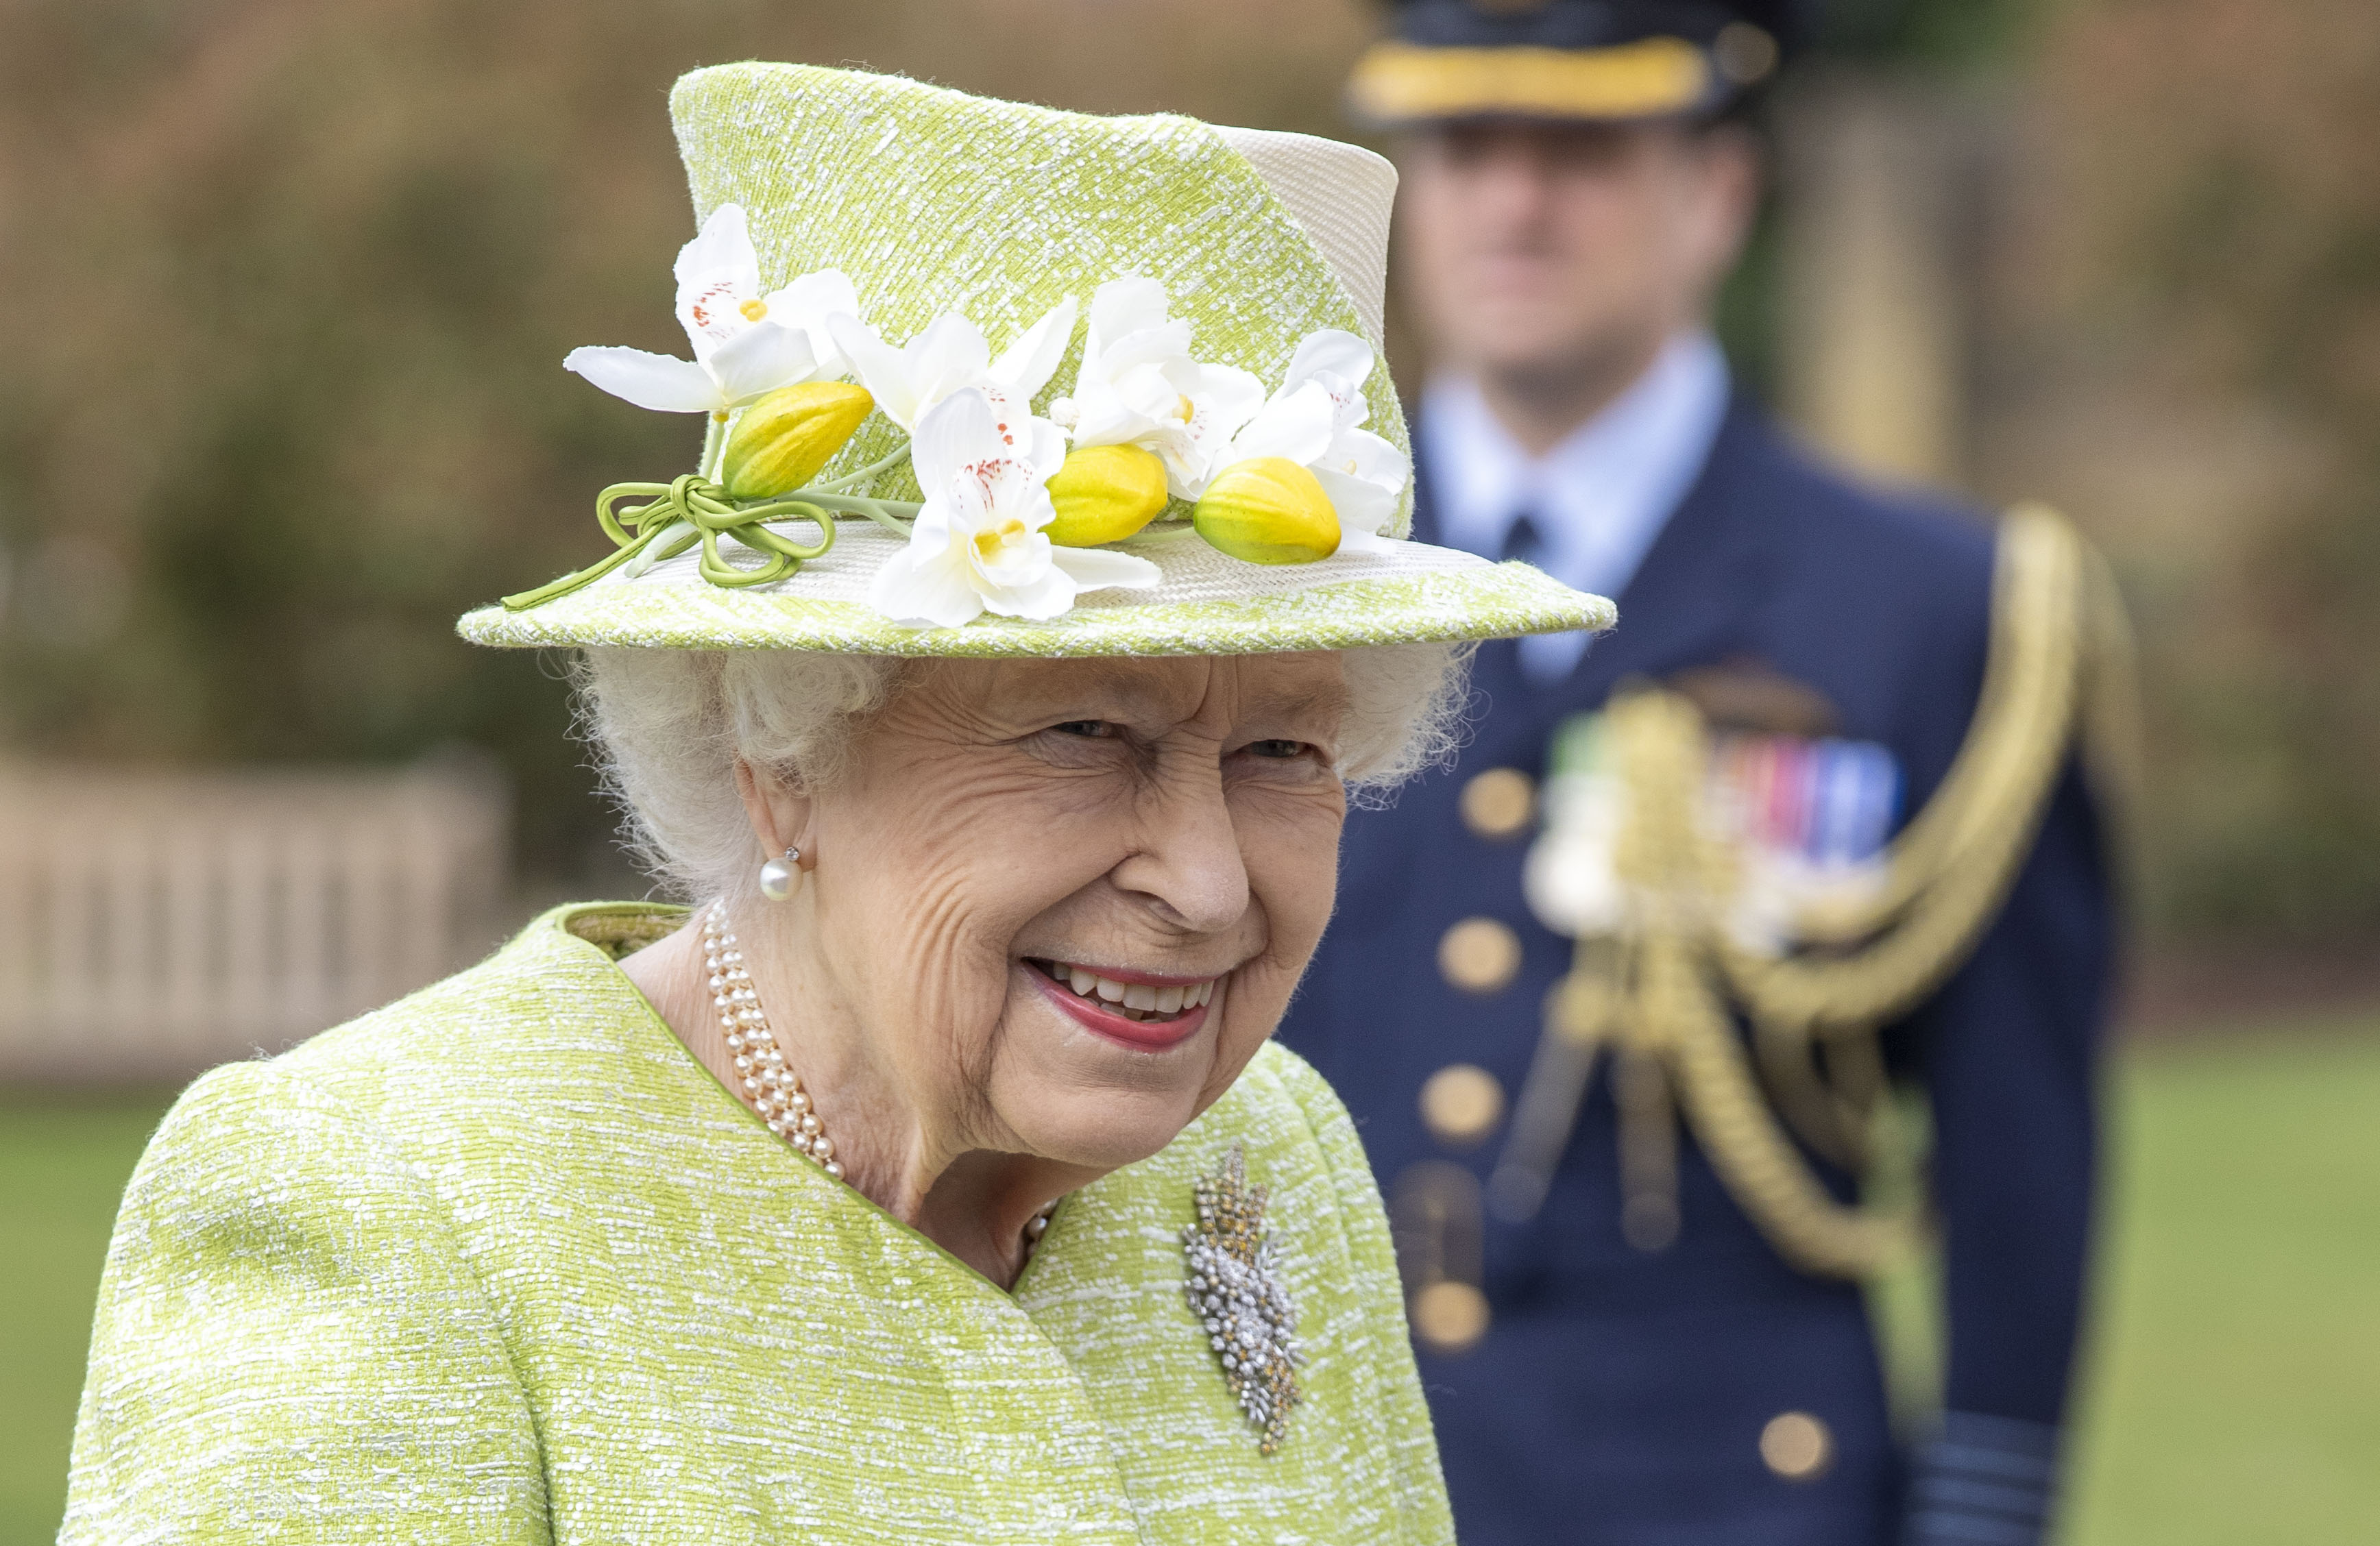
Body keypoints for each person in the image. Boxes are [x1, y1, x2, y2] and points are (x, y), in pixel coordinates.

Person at [59, 62, 1614, 1544]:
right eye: (1083, 730)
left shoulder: (1272, 1152)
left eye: (1284, 755)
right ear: (777, 755)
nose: (1206, 885)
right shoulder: (382, 1199)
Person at [1284, 4, 2122, 1545]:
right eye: (1463, 145)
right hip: (1311, 1467)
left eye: (1584, 148)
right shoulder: (1285, 578)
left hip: (1732, 1489)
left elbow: (2018, 1145)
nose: (1514, 202)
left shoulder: (1928, 609)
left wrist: (1987, 1509)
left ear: (1717, 196)